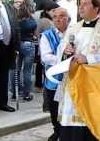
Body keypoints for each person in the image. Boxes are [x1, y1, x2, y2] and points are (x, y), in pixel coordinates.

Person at [57, 0, 100, 141]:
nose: (81, 7)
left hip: (92, 85)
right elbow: (61, 48)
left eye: (86, 4)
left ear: (96, 8)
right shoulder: (72, 29)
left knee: (87, 125)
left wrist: (89, 59)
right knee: (70, 123)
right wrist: (65, 51)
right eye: (81, 4)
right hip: (72, 82)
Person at [40, 8, 70, 141]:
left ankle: (68, 130)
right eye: (55, 17)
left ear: (68, 19)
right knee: (54, 106)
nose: (58, 19)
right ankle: (57, 130)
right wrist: (63, 60)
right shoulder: (47, 35)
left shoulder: (75, 33)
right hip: (55, 78)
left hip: (72, 77)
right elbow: (45, 57)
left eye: (62, 16)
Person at [13, 0, 37, 101]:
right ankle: (26, 94)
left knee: (16, 70)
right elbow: (34, 33)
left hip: (18, 44)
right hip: (28, 45)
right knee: (27, 71)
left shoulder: (16, 19)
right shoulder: (31, 20)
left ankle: (15, 93)